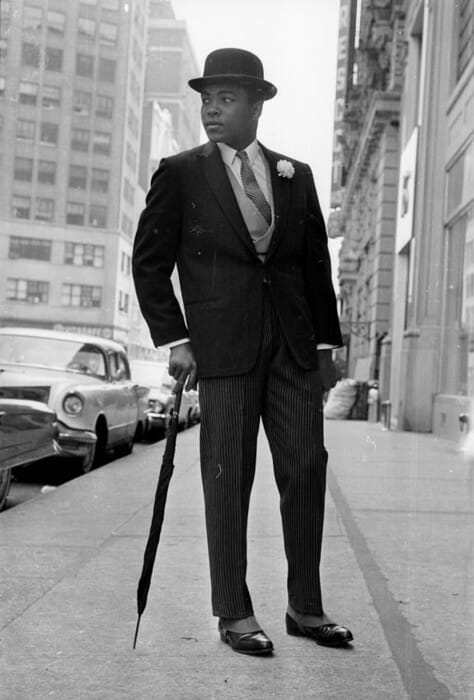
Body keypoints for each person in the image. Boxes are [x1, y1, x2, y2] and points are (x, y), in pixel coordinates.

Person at [133, 48, 353, 656]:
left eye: (227, 98)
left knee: (306, 469)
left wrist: (327, 344)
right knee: (228, 478)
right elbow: (149, 265)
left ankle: (305, 608)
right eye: (207, 99)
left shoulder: (295, 173)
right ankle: (234, 611)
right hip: (220, 352)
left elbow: (314, 266)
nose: (212, 109)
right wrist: (176, 340)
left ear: (258, 106)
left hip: (292, 348)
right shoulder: (179, 172)